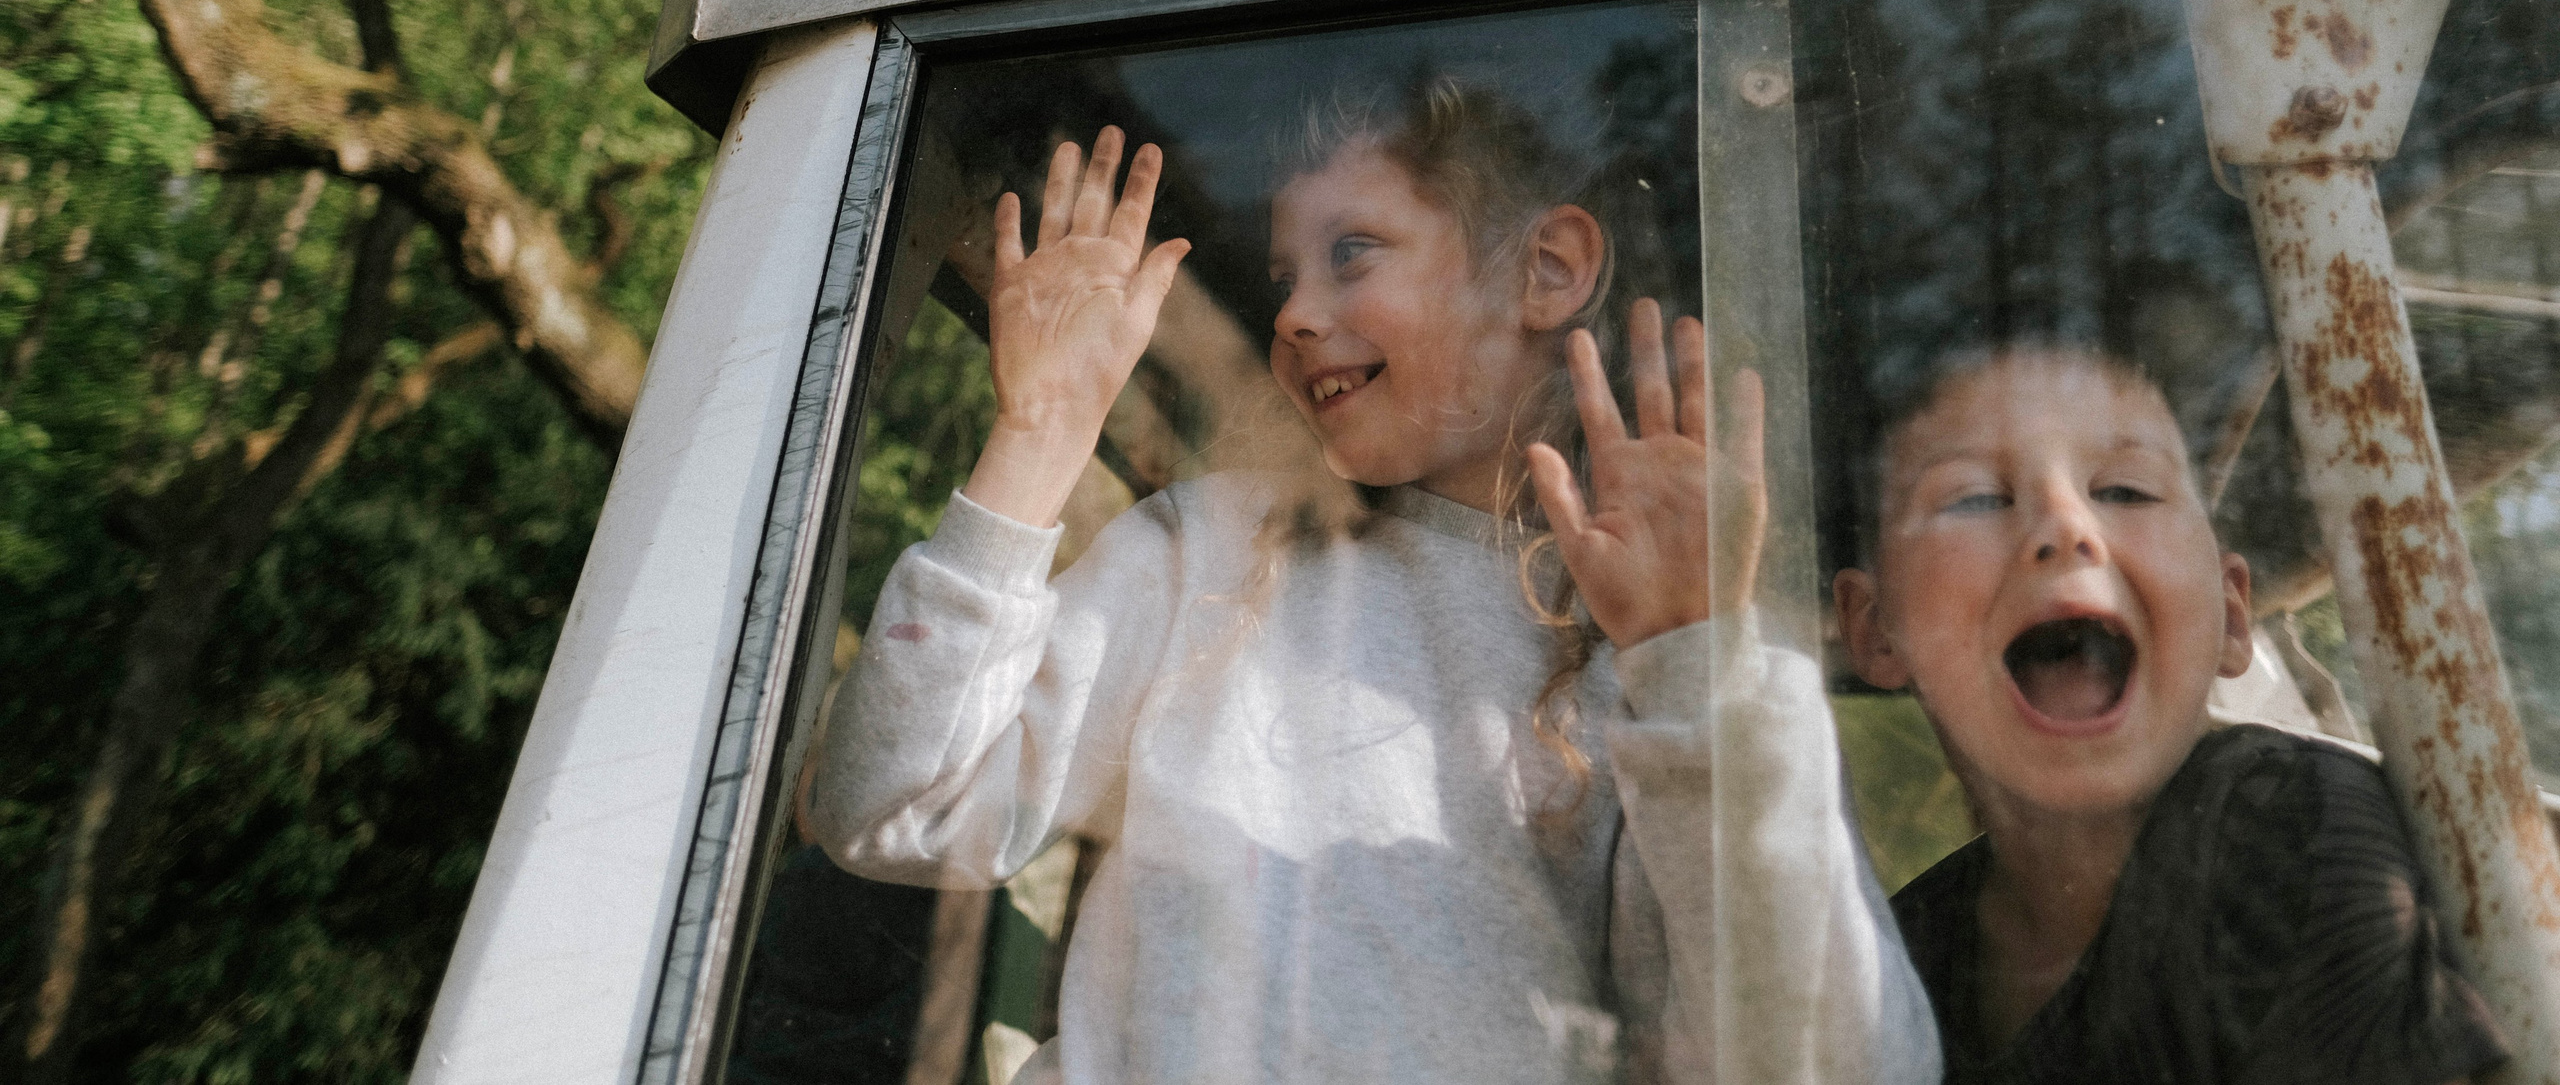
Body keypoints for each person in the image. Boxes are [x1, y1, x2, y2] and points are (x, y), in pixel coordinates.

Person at [809, 81, 1935, 1085]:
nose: (1295, 313)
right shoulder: (1205, 553)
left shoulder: (1654, 643)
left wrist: (1697, 660)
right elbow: (891, 808)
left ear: (1545, 270)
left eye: (1353, 252)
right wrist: (1038, 434)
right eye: (1286, 275)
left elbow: (1831, 1058)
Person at [1832, 341, 2508, 1085]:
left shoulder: (2284, 826)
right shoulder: (1902, 952)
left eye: (2125, 490)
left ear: (2231, 615)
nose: (2065, 525)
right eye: (1978, 498)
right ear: (1873, 628)